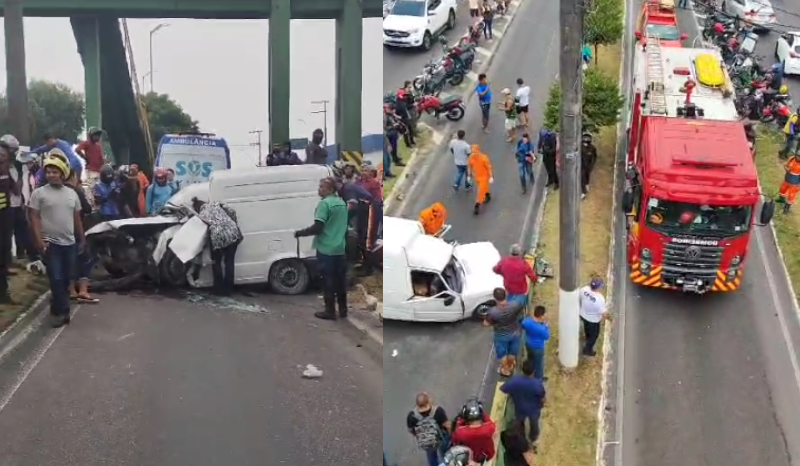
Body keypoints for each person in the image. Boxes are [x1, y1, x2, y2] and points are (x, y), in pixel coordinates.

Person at [28, 156, 84, 328]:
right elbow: (34, 217)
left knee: (67, 279)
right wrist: (38, 240)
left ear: (62, 173)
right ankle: (63, 312)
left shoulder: (72, 194)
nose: (51, 175)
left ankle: (57, 304)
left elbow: (77, 218)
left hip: (70, 244)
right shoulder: (39, 193)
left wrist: (82, 238)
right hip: (50, 244)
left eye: (55, 172)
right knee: (57, 278)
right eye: (49, 172)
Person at [295, 177, 349, 320]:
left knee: (327, 281)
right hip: (340, 248)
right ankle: (343, 310)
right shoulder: (341, 203)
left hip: (326, 249)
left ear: (330, 189)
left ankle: (330, 311)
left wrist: (301, 233)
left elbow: (318, 227)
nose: (319, 189)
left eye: (322, 187)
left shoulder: (324, 204)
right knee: (340, 281)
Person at [194, 198, 243, 297]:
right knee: (229, 262)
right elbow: (232, 211)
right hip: (233, 231)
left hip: (218, 235)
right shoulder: (217, 204)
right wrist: (231, 223)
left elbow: (202, 231)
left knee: (217, 262)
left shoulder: (202, 214)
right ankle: (228, 290)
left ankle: (218, 290)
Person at [65, 169, 99, 304]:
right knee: (85, 258)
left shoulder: (57, 191)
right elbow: (87, 209)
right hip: (76, 229)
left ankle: (72, 290)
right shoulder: (76, 191)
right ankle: (83, 291)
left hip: (63, 231)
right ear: (73, 177)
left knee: (68, 261)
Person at [500, 359, 546, 445]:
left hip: (519, 408)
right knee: (534, 424)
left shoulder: (514, 381)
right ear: (533, 371)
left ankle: (521, 436)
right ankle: (533, 438)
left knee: (519, 422)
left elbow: (503, 389)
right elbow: (542, 398)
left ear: (522, 370)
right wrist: (541, 404)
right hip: (533, 410)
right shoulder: (537, 384)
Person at [486, 287, 525, 377]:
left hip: (501, 336)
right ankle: (511, 365)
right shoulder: (516, 305)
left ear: (495, 298)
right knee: (512, 353)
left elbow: (486, 324)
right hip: (515, 333)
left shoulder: (493, 312)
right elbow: (520, 314)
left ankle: (505, 370)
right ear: (506, 295)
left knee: (502, 354)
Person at [407, 392, 452, 466]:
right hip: (441, 438)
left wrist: (420, 435)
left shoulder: (411, 415)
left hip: (427, 441)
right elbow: (448, 426)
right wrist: (450, 436)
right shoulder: (438, 410)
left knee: (431, 458)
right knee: (446, 454)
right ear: (427, 401)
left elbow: (410, 430)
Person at [0, 142, 18, 304]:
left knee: (4, 252)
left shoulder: (8, 172)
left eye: (4, 156)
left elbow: (16, 190)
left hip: (5, 215)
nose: (1, 159)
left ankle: (3, 292)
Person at [451, 399, 496, 463]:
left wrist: (461, 419)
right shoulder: (489, 428)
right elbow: (487, 419)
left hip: (471, 460)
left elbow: (455, 441)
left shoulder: (460, 433)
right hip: (488, 455)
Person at [579, 278, 611, 357]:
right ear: (598, 287)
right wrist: (611, 319)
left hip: (583, 314)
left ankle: (587, 337)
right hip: (593, 320)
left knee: (587, 328)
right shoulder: (599, 299)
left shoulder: (584, 289)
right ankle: (587, 350)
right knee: (594, 336)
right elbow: (604, 314)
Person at [75, 126, 106, 206]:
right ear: (91, 135)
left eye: (98, 135)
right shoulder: (87, 143)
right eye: (95, 135)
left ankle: (97, 206)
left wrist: (104, 166)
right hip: (90, 170)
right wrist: (85, 157)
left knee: (98, 189)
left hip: (98, 171)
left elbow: (101, 158)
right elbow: (77, 149)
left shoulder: (98, 146)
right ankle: (91, 206)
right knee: (90, 188)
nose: (97, 137)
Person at [520, 305, 550, 380]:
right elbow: (547, 337)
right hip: (538, 348)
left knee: (531, 360)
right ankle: (538, 378)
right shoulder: (542, 328)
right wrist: (546, 326)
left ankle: (530, 373)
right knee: (539, 364)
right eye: (545, 314)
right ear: (541, 316)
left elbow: (522, 325)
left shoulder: (527, 321)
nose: (546, 315)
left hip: (528, 345)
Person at [467, 144, 493, 216]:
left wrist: (491, 176)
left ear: (478, 151)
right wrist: (469, 176)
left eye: (475, 152)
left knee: (480, 191)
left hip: (484, 177)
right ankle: (487, 195)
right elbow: (469, 166)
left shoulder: (484, 158)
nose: (474, 153)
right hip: (477, 177)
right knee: (484, 188)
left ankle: (477, 205)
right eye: (473, 152)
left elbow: (489, 167)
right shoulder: (471, 157)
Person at [580, 133, 598, 199]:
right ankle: (583, 192)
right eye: (585, 137)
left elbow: (595, 156)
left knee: (587, 176)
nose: (586, 139)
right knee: (582, 178)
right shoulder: (580, 147)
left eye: (587, 138)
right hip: (581, 166)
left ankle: (587, 184)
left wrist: (592, 165)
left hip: (588, 165)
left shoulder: (592, 148)